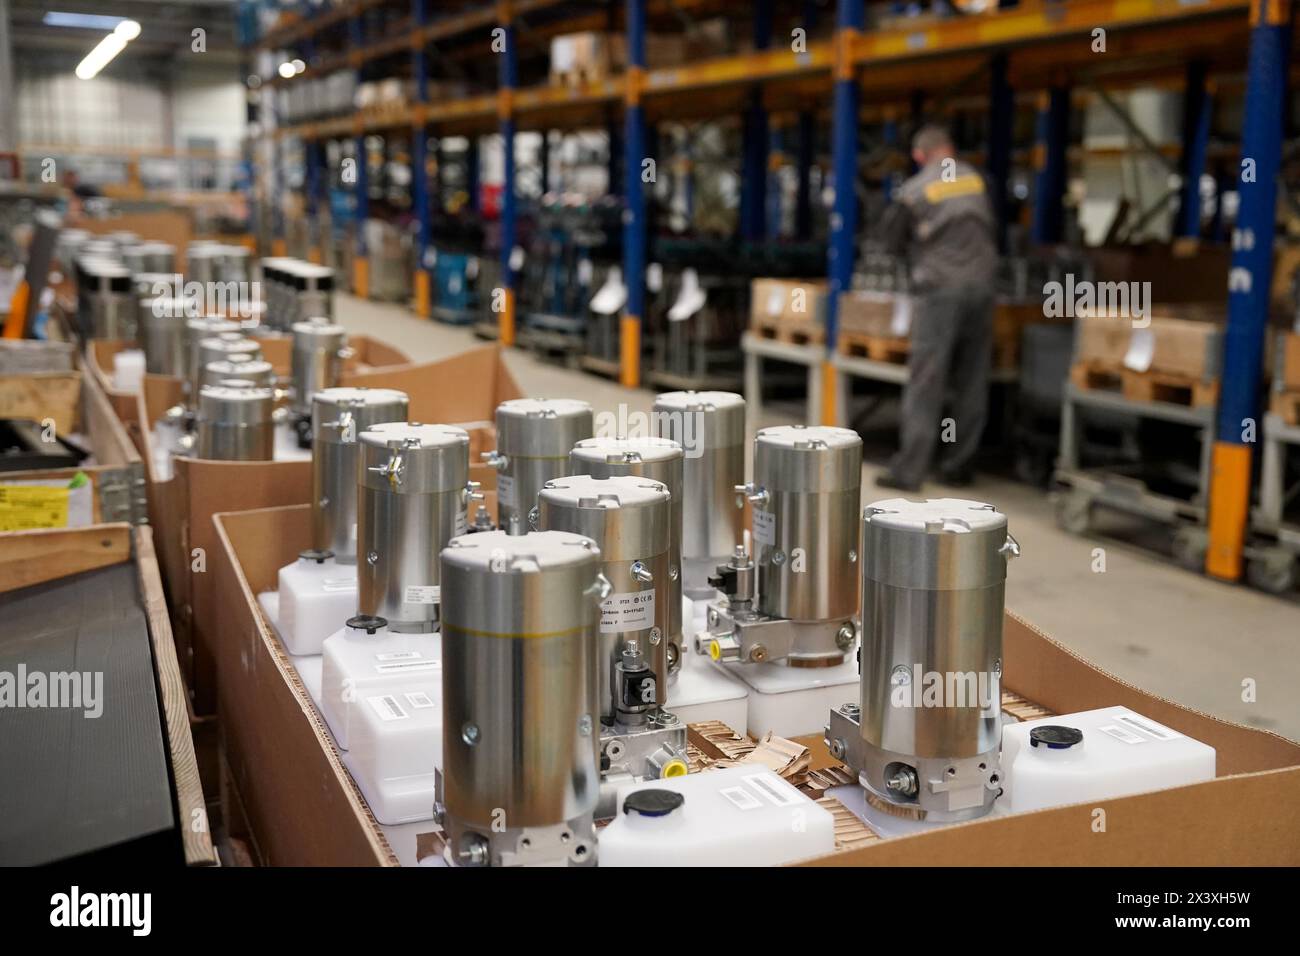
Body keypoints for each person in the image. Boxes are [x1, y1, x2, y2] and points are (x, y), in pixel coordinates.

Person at [875, 123, 999, 492]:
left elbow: (889, 242)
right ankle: (958, 464)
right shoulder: (977, 180)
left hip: (941, 290)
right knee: (972, 378)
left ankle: (910, 470)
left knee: (927, 378)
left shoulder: (914, 191)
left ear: (919, 156)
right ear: (950, 149)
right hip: (983, 287)